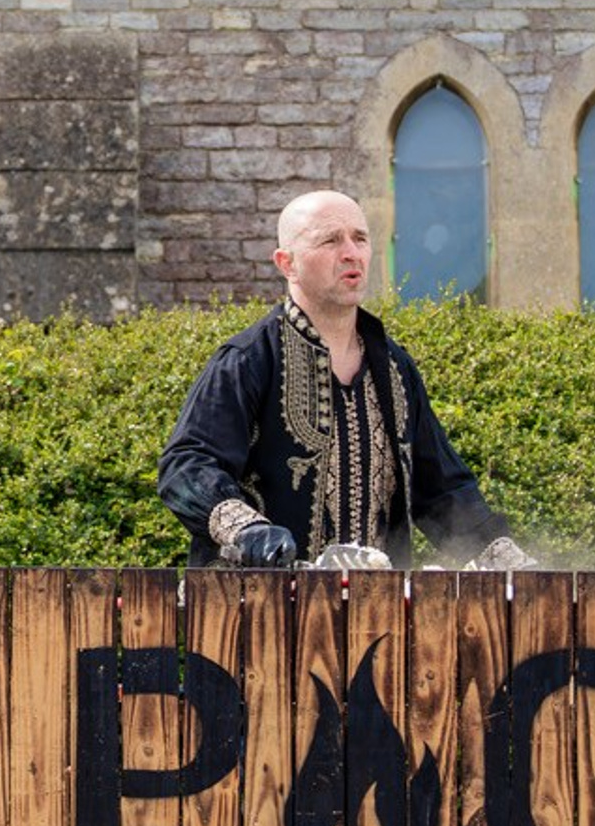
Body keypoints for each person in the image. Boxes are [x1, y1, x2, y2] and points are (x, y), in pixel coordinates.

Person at [158, 189, 526, 569]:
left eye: (360, 238)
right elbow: (187, 466)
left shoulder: (396, 369)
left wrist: (508, 560)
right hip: (262, 611)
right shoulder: (247, 360)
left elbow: (443, 491)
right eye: (330, 240)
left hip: (375, 615)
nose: (351, 252)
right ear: (288, 263)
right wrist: (246, 529)